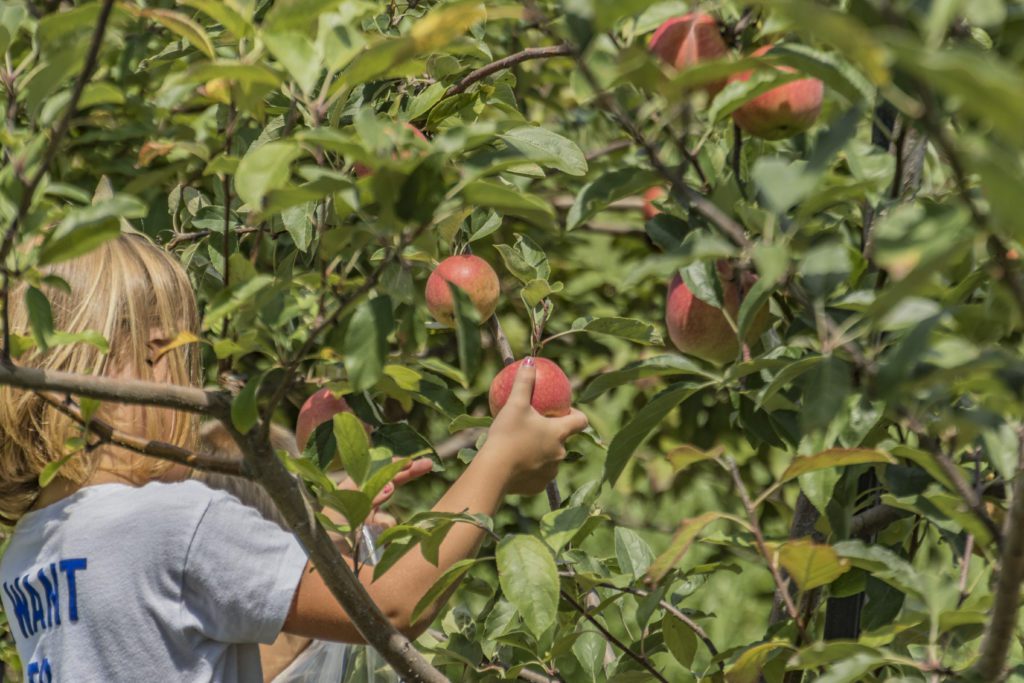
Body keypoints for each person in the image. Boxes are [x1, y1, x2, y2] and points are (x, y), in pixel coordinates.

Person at [0, 234, 589, 682]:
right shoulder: (173, 522)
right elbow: (394, 606)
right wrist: (498, 461)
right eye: (172, 356)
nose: (191, 390)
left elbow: (189, 644)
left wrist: (318, 543)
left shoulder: (31, 551)